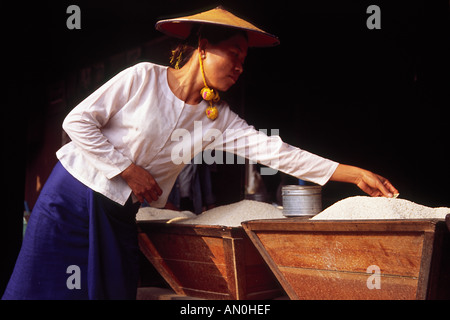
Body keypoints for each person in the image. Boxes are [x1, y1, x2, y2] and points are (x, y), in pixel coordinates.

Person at [3, 7, 397, 300]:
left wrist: (350, 172)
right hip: (71, 199)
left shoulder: (217, 119)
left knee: (112, 292)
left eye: (245, 61)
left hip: (117, 215)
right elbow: (76, 122)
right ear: (204, 48)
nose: (241, 67)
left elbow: (277, 152)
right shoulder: (143, 78)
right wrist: (126, 168)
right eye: (235, 54)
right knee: (43, 287)